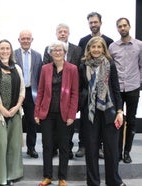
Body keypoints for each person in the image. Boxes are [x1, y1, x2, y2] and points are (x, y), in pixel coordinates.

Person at [79, 36, 126, 186]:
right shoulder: (83, 65)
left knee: (111, 149)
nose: (96, 50)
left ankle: (114, 181)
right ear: (89, 49)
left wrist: (119, 110)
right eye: (93, 47)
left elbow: (116, 89)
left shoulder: (110, 64)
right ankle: (93, 182)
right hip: (90, 112)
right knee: (91, 149)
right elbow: (81, 88)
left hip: (109, 111)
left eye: (99, 47)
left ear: (104, 49)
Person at [34, 41, 79, 186]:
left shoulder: (72, 69)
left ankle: (62, 178)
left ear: (64, 52)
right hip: (47, 113)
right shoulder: (45, 69)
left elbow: (74, 93)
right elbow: (40, 91)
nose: (57, 52)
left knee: (64, 146)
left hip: (64, 114)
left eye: (60, 50)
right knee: (47, 146)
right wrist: (37, 112)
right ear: (50, 53)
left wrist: (72, 114)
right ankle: (47, 176)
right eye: (54, 50)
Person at [0, 39, 25, 185]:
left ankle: (9, 176)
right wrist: (2, 109)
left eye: (7, 48)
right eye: (2, 48)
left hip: (15, 112)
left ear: (11, 50)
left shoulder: (17, 69)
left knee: (14, 146)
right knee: (0, 146)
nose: (4, 51)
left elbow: (22, 90)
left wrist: (16, 107)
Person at [76, 12, 114, 158]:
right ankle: (83, 146)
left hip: (103, 91)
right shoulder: (83, 40)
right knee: (85, 121)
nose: (93, 25)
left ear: (100, 23)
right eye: (91, 22)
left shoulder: (109, 41)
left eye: (95, 22)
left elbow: (109, 63)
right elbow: (82, 64)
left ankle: (99, 147)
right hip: (87, 91)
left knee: (100, 121)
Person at [42, 23, 82, 159]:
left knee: (67, 125)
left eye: (65, 31)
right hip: (52, 95)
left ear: (69, 33)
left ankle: (67, 148)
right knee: (52, 127)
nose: (63, 33)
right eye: (60, 31)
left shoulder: (77, 50)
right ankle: (53, 148)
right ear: (56, 33)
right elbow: (46, 68)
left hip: (69, 95)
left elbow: (79, 72)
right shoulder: (49, 49)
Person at [109, 17, 142, 164]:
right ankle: (117, 152)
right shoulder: (112, 47)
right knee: (117, 120)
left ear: (129, 26)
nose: (122, 28)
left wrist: (138, 82)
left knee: (132, 120)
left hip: (133, 88)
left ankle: (127, 152)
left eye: (124, 25)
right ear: (117, 29)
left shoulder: (139, 45)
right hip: (117, 90)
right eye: (120, 26)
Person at [14, 29, 42, 158]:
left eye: (28, 38)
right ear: (19, 40)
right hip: (16, 92)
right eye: (23, 38)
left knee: (31, 121)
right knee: (14, 120)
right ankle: (14, 148)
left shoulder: (37, 55)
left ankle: (31, 148)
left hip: (31, 92)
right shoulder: (12, 54)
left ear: (32, 40)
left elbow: (39, 75)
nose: (25, 41)